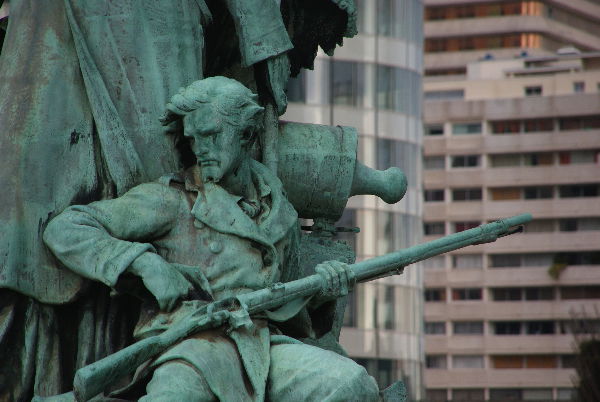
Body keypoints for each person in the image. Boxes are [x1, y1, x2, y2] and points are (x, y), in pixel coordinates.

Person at [43, 77, 379, 401]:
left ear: (246, 133)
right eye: (193, 139)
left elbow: (286, 302)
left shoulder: (282, 214)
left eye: (211, 135)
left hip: (262, 348)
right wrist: (143, 263)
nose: (200, 149)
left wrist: (321, 291)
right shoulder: (171, 200)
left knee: (351, 384)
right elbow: (67, 228)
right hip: (192, 348)